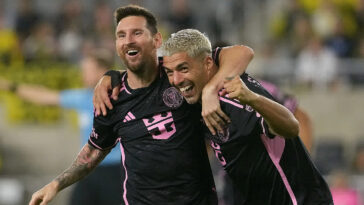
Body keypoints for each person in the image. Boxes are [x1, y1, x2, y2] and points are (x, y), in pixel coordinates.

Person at [29, 5, 254, 205]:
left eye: (137, 33)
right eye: (121, 35)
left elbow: (242, 53)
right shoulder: (112, 97)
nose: (128, 40)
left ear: (157, 40)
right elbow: (93, 151)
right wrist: (55, 184)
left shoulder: (178, 74)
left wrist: (212, 90)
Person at [93, 29, 333, 204]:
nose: (175, 80)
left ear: (209, 63)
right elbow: (145, 76)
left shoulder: (236, 96)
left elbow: (292, 125)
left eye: (183, 69)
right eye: (170, 72)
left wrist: (253, 99)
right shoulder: (191, 97)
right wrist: (110, 76)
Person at [0, 50, 123, 205]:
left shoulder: (122, 98)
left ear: (103, 72)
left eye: (87, 70)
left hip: (116, 171)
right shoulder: (84, 97)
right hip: (88, 170)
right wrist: (11, 87)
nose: (82, 75)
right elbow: (45, 97)